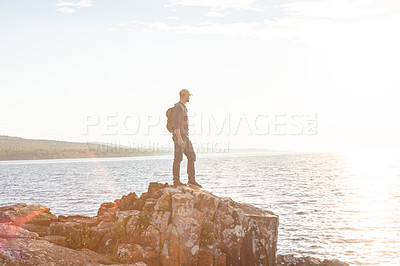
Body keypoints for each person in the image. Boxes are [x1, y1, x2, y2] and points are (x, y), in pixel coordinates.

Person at [171, 89, 202, 188]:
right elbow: (176, 124)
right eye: (188, 96)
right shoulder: (178, 107)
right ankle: (176, 181)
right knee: (178, 158)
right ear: (184, 95)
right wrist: (179, 138)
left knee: (192, 156)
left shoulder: (183, 107)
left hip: (185, 136)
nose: (189, 98)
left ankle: (191, 180)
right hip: (179, 136)